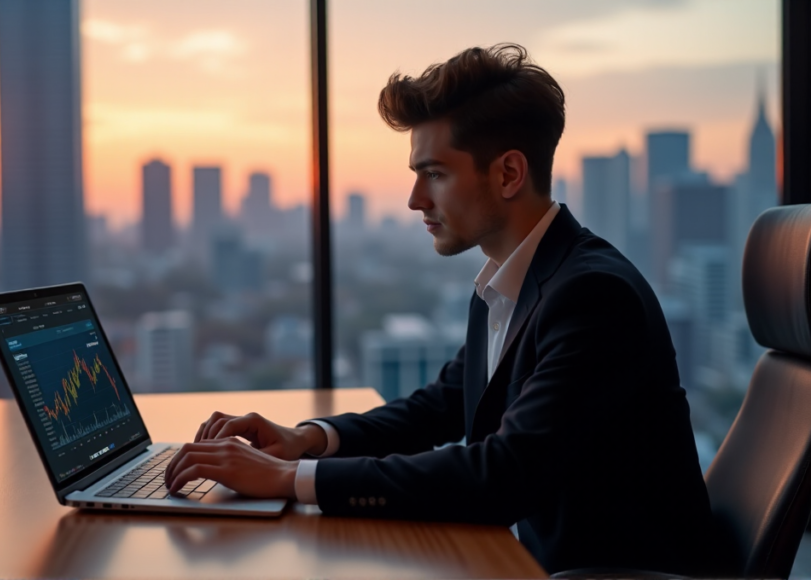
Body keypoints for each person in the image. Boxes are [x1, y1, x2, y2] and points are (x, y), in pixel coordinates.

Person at [163, 44, 717, 575]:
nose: (415, 199)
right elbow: (441, 406)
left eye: (434, 174)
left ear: (508, 174)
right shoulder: (510, 280)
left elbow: (504, 473)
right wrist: (307, 440)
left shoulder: (593, 296)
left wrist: (290, 480)